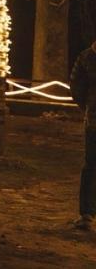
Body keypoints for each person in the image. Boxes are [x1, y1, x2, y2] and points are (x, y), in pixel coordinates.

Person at [71, 40, 96, 229]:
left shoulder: (86, 57)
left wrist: (87, 107)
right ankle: (87, 211)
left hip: (93, 118)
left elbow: (76, 86)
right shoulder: (86, 57)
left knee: (91, 165)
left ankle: (87, 213)